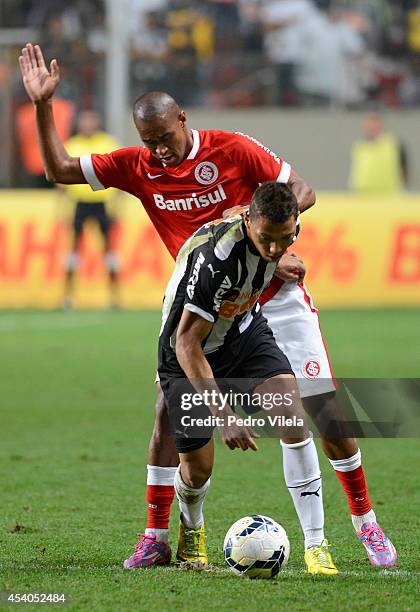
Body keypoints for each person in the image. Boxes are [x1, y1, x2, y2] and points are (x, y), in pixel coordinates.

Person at [18, 42, 397, 574]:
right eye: (150, 143)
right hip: (206, 309)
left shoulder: (233, 149)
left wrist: (258, 238)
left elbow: (301, 189)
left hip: (275, 299)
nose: (161, 153)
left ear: (184, 120)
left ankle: (365, 522)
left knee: (325, 410)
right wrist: (41, 104)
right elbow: (59, 169)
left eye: (166, 139)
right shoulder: (137, 165)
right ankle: (156, 537)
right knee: (170, 415)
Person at [159, 181, 309, 566]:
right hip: (187, 351)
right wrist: (225, 416)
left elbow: (275, 240)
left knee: (292, 415)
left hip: (242, 334)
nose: (276, 248)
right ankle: (191, 526)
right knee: (196, 470)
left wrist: (277, 259)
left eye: (285, 238)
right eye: (267, 239)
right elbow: (186, 344)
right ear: (249, 221)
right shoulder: (217, 261)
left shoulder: (275, 233)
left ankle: (317, 543)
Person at [61, 110, 121, 309]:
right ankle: (67, 297)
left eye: (91, 120)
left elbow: (121, 176)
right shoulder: (71, 144)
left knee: (109, 251)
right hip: (79, 203)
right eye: (84, 120)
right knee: (73, 252)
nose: (87, 124)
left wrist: (118, 206)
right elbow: (60, 181)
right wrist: (62, 209)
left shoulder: (107, 143)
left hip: (102, 204)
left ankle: (114, 297)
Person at [349, 112, 409, 194]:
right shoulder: (359, 146)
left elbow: (405, 170)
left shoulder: (394, 144)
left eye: (375, 123)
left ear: (381, 125)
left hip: (389, 197)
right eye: (369, 124)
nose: (372, 127)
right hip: (363, 196)